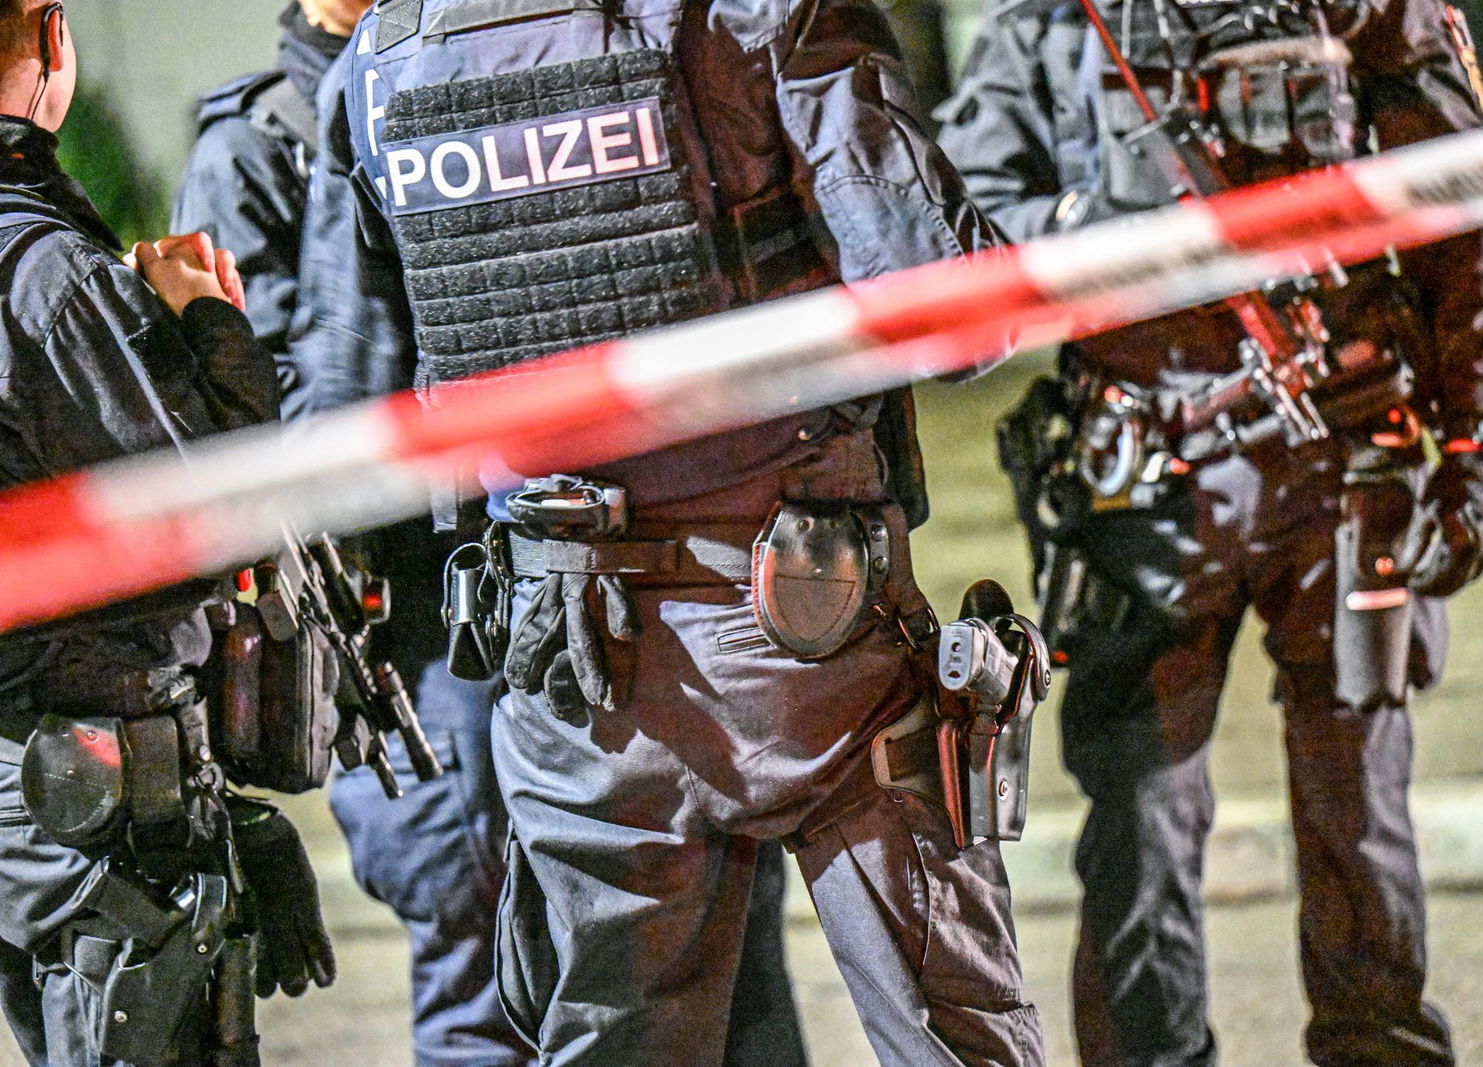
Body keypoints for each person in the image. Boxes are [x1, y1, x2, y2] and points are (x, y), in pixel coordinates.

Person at [305, 0, 1045, 1064]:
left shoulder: (374, 69)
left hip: (573, 673)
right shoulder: (760, 16)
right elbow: (956, 314)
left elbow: (346, 423)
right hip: (813, 644)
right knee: (955, 1033)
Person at [181, 3, 810, 1065]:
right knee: (488, 974)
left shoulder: (515, 66)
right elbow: (290, 427)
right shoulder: (262, 144)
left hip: (600, 580)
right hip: (433, 637)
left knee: (721, 925)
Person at [940, 1, 1483, 1064]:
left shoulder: (1363, 8)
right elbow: (959, 232)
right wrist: (1090, 230)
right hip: (1144, 482)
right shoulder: (1055, 27)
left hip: (1343, 461)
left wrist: (1476, 437)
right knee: (1141, 828)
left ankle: (1379, 1046)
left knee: (1359, 808)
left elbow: (1462, 210)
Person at [0, 2, 330, 1064]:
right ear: (54, 38)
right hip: (85, 802)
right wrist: (205, 322)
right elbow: (218, 513)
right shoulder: (47, 277)